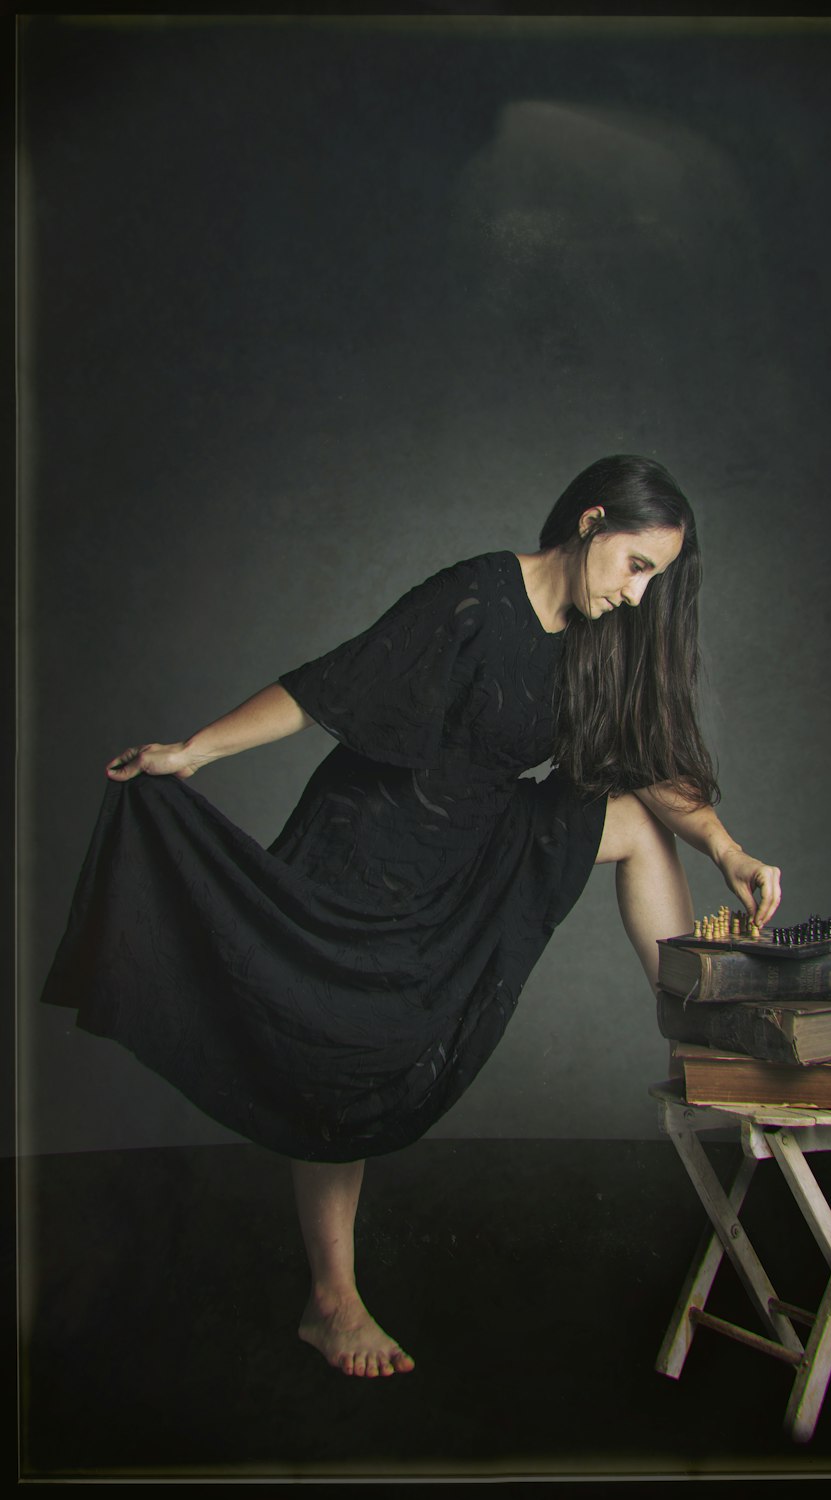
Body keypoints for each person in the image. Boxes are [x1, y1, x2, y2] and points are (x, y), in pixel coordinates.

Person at [42, 454, 781, 1380]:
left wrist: (729, 848)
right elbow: (330, 687)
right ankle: (331, 1300)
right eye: (637, 566)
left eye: (656, 581)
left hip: (479, 839)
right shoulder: (475, 595)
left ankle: (696, 1047)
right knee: (340, 1057)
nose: (639, 596)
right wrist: (194, 751)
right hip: (371, 845)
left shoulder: (604, 639)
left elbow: (651, 762)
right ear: (592, 522)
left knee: (634, 821)